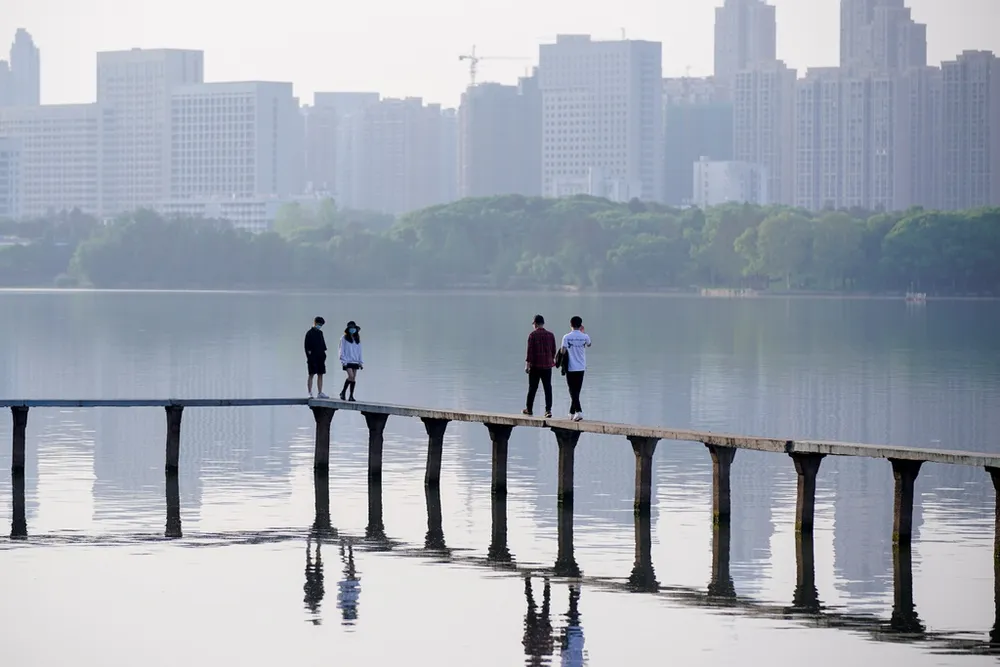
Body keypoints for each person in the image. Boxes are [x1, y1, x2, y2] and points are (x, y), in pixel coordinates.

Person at [523, 314, 556, 418]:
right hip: (547, 366)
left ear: (535, 324)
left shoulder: (532, 335)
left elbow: (530, 353)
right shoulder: (551, 335)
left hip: (535, 366)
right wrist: (551, 360)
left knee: (532, 388)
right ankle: (548, 410)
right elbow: (554, 350)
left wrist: (527, 365)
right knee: (547, 388)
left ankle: (529, 409)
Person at [560, 316, 591, 421]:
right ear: (581, 325)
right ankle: (571, 412)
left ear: (570, 324)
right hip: (581, 367)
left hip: (570, 367)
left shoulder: (566, 337)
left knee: (572, 390)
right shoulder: (585, 336)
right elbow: (589, 344)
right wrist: (582, 333)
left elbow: (562, 352)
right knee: (576, 390)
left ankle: (579, 411)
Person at [338, 320, 363, 401]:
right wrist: (343, 361)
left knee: (353, 378)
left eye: (353, 328)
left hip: (355, 361)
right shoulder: (344, 338)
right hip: (347, 361)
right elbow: (341, 350)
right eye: (351, 328)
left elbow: (359, 351)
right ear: (348, 329)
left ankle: (351, 396)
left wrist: (360, 362)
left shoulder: (357, 339)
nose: (352, 329)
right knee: (351, 376)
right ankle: (343, 392)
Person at [304, 316, 328, 399]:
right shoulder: (309, 333)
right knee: (311, 374)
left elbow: (323, 346)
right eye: (318, 324)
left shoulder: (320, 333)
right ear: (314, 323)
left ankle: (320, 392)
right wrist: (310, 357)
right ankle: (309, 393)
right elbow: (307, 348)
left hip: (320, 358)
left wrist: (324, 356)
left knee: (320, 374)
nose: (319, 326)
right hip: (312, 358)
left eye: (321, 325)